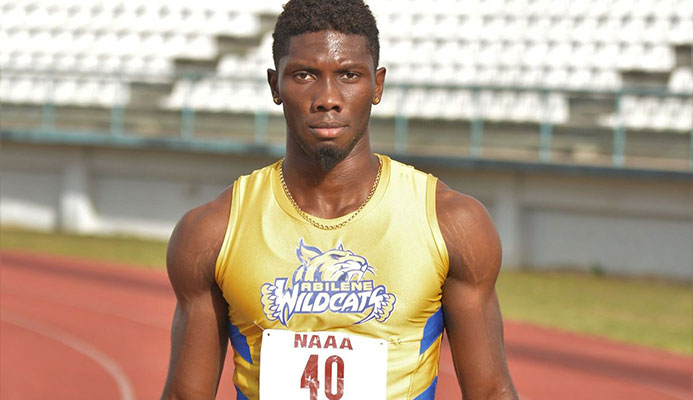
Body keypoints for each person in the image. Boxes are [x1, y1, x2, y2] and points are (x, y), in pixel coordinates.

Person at [161, 0, 517, 399]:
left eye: (348, 75)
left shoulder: (451, 222)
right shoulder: (213, 231)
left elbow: (490, 392)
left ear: (377, 85)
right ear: (275, 85)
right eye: (304, 75)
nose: (327, 98)